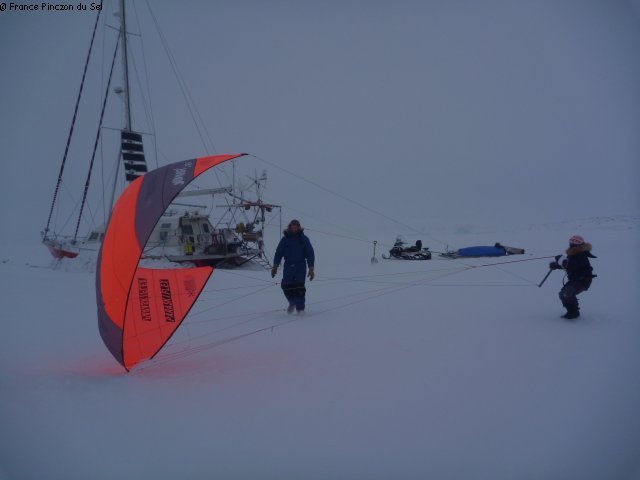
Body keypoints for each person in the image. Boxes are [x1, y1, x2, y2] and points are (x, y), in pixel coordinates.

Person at [271, 219, 315, 315]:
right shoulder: (285, 239)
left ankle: (300, 309)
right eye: (292, 227)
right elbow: (279, 252)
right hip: (288, 266)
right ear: (289, 227)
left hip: (300, 266)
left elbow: (310, 253)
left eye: (296, 227)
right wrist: (275, 265)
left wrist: (311, 268)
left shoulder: (304, 239)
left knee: (299, 288)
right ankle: (292, 303)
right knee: (286, 286)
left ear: (299, 228)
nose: (294, 228)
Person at [549, 235, 596, 319]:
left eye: (572, 243)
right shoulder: (574, 253)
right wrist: (556, 265)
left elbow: (571, 265)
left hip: (583, 280)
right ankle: (571, 311)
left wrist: (561, 260)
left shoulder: (581, 254)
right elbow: (569, 265)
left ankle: (574, 313)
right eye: (570, 243)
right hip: (575, 279)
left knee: (567, 293)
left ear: (577, 245)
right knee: (562, 294)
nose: (570, 244)